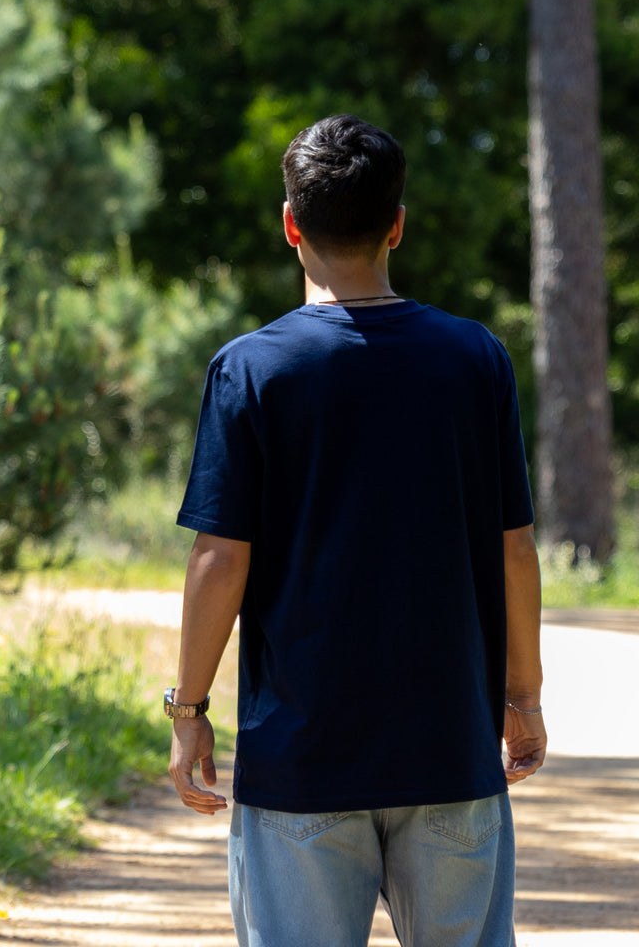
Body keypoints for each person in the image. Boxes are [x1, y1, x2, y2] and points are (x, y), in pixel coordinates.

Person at [167, 114, 546, 947]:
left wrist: (188, 707)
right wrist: (521, 697)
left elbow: (220, 558)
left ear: (290, 223)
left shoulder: (251, 369)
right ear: (398, 225)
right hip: (450, 749)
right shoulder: (474, 359)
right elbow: (514, 547)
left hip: (301, 763)